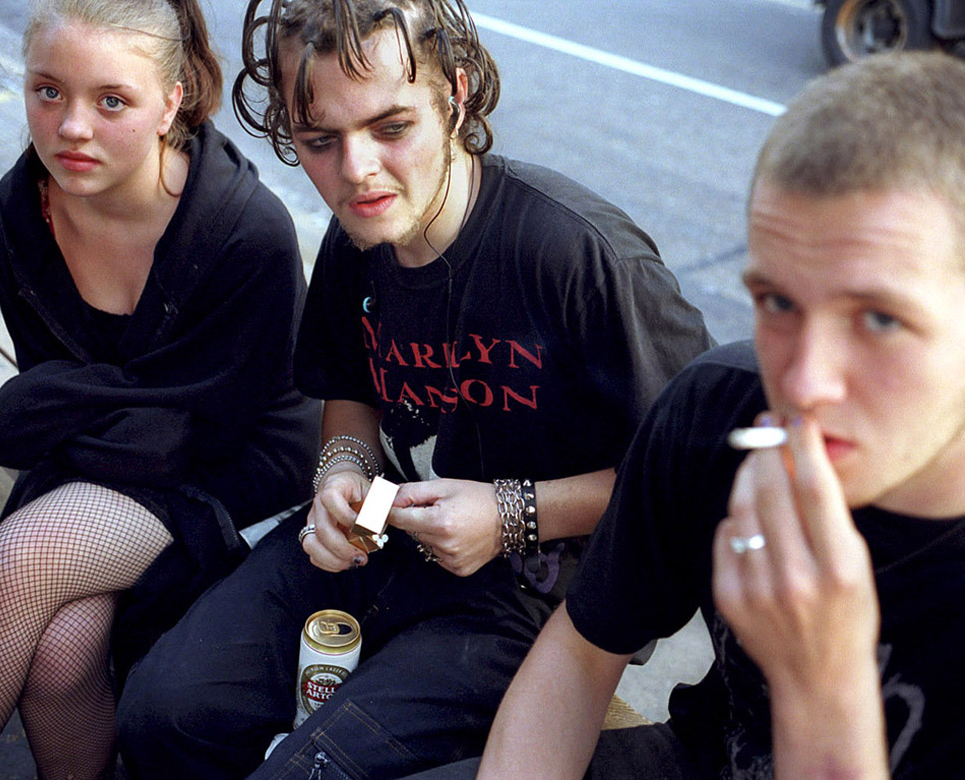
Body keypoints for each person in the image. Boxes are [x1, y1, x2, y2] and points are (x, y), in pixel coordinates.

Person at [407, 52, 965, 780]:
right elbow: (580, 654)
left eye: (881, 320)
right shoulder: (719, 413)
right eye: (779, 303)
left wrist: (824, 697)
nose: (802, 380)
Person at [114, 1, 713, 778]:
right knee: (164, 713)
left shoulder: (577, 255)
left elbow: (691, 476)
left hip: (539, 595)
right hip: (385, 539)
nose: (357, 171)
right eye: (320, 141)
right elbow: (349, 390)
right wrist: (339, 471)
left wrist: (510, 512)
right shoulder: (360, 237)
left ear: (455, 94)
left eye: (391, 127)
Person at [0, 0, 320, 778]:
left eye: (112, 101)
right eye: (47, 91)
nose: (71, 127)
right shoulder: (22, 208)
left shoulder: (246, 235)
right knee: (60, 649)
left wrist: (84, 427)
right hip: (112, 445)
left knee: (19, 562)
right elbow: (56, 382)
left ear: (172, 101)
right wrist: (92, 420)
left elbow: (207, 425)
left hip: (238, 460)